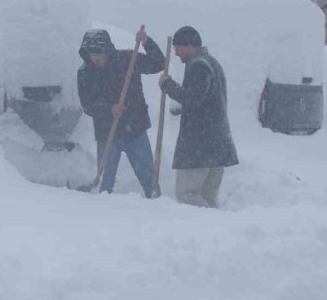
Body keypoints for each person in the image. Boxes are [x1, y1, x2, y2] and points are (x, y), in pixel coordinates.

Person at [77, 28, 165, 198]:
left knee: (148, 178)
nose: (95, 58)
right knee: (105, 182)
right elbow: (87, 105)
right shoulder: (85, 73)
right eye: (91, 54)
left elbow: (158, 63)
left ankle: (157, 204)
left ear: (107, 50)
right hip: (106, 133)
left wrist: (147, 42)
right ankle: (104, 210)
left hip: (135, 129)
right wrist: (109, 109)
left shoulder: (128, 60)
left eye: (99, 53)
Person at [159, 26, 238, 208]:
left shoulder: (198, 65)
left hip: (199, 146)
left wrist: (168, 85)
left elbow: (191, 99)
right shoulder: (212, 62)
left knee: (187, 195)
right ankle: (215, 225)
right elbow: (203, 99)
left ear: (189, 46)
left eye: (178, 48)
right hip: (215, 144)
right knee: (208, 198)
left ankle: (205, 224)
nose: (176, 53)